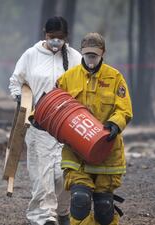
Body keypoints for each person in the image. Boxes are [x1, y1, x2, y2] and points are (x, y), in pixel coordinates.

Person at [9, 16, 81, 225]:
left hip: (66, 126)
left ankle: (61, 210)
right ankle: (43, 216)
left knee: (63, 173)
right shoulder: (31, 55)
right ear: (44, 34)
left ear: (66, 37)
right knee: (42, 176)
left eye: (60, 38)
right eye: (52, 37)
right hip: (38, 126)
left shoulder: (75, 58)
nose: (55, 42)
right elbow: (16, 81)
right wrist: (21, 100)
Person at [56, 32, 133, 225]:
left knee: (104, 209)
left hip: (106, 151)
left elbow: (124, 109)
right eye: (87, 54)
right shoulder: (67, 79)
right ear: (81, 53)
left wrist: (115, 124)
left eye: (94, 55)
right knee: (80, 201)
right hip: (76, 153)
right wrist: (37, 117)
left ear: (103, 53)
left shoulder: (115, 78)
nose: (91, 59)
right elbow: (53, 104)